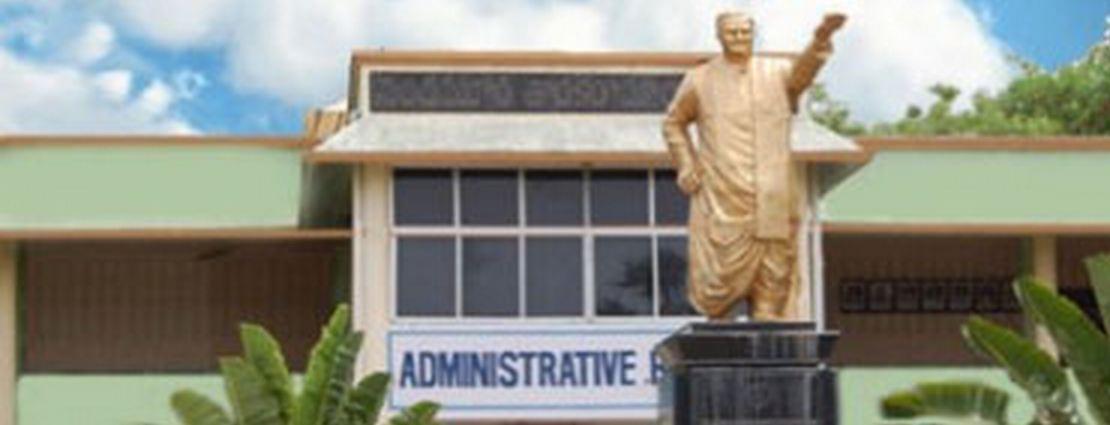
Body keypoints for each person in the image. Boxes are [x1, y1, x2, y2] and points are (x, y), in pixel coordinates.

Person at [661, 11, 844, 321]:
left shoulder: (776, 72)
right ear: (719, 37)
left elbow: (803, 73)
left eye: (745, 32)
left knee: (773, 264)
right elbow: (673, 122)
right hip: (722, 190)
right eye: (732, 33)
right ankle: (721, 327)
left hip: (770, 187)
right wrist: (686, 164)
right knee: (719, 276)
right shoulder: (700, 78)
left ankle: (768, 318)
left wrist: (820, 39)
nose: (739, 38)